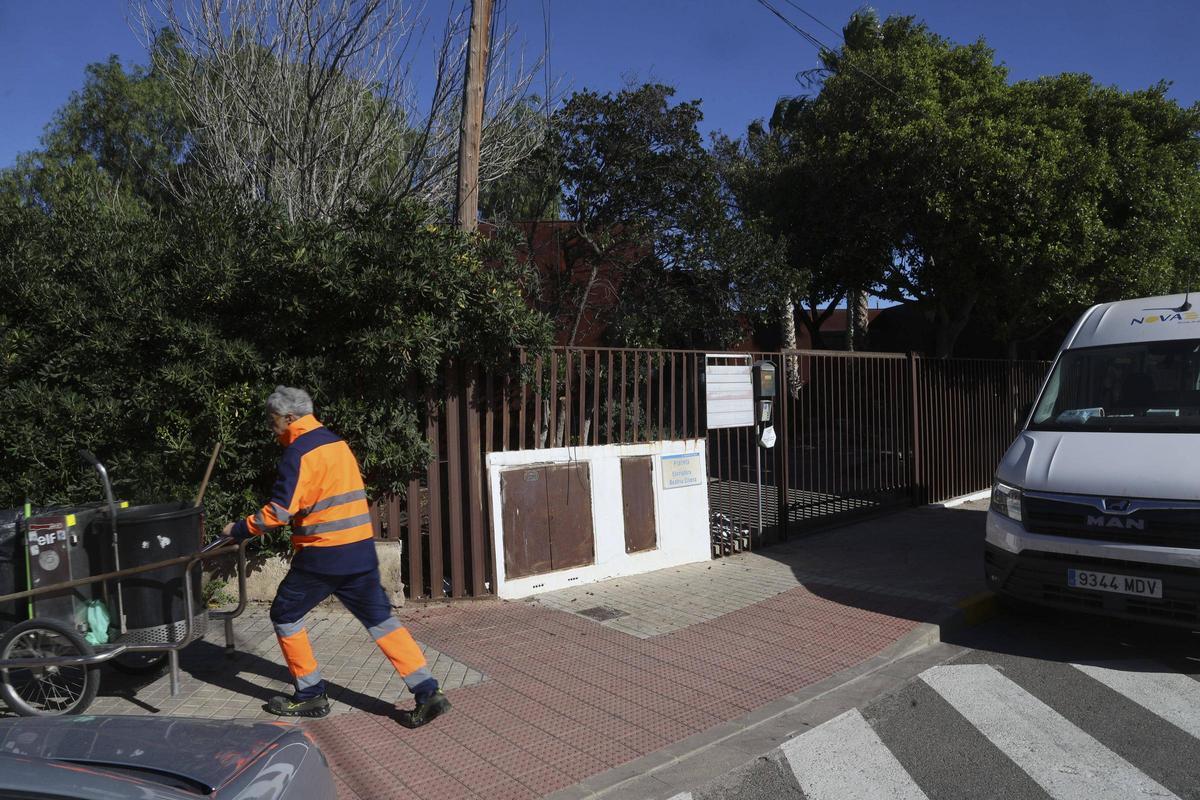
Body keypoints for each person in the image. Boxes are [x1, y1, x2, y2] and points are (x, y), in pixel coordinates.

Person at [223, 386, 450, 727]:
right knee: (382, 621)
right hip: (359, 550)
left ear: (289, 418)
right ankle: (427, 691)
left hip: (323, 555)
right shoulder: (337, 444)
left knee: (285, 614)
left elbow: (279, 513)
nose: (273, 430)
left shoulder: (298, 453)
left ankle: (310, 694)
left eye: (274, 423)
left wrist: (239, 529)